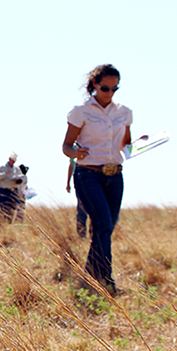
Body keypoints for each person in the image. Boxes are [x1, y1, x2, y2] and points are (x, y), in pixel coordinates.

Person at [62, 64, 146, 294]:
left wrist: (142, 143)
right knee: (103, 225)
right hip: (88, 174)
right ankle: (107, 282)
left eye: (114, 88)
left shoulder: (124, 112)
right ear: (95, 86)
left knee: (106, 228)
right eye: (106, 88)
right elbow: (66, 145)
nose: (110, 92)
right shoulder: (81, 111)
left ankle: (90, 276)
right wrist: (73, 153)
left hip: (115, 176)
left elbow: (125, 146)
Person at [0, 153, 28, 223]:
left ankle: (10, 223)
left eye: (14, 160)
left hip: (14, 191)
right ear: (9, 159)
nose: (13, 161)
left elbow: (20, 181)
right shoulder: (2, 168)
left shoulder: (17, 169)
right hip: (4, 190)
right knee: (4, 208)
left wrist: (18, 179)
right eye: (12, 160)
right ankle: (3, 223)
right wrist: (6, 174)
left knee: (12, 208)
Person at [65, 150, 89, 238]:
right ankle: (82, 234)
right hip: (80, 179)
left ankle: (94, 234)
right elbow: (71, 165)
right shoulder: (76, 146)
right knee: (82, 207)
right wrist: (68, 183)